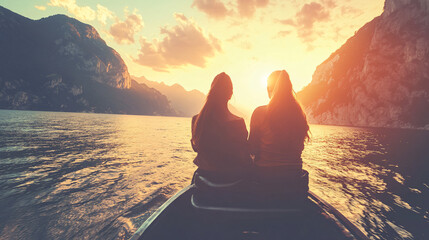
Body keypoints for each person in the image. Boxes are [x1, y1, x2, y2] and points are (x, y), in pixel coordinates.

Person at [248, 70, 310, 185]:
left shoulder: (260, 113)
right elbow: (300, 147)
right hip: (294, 178)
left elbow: (252, 148)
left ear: (269, 89)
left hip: (266, 177)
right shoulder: (299, 115)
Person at [191, 72, 251, 181]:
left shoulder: (197, 120)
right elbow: (243, 157)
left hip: (204, 180)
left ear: (211, 91)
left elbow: (196, 148)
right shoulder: (238, 123)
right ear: (230, 94)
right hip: (230, 182)